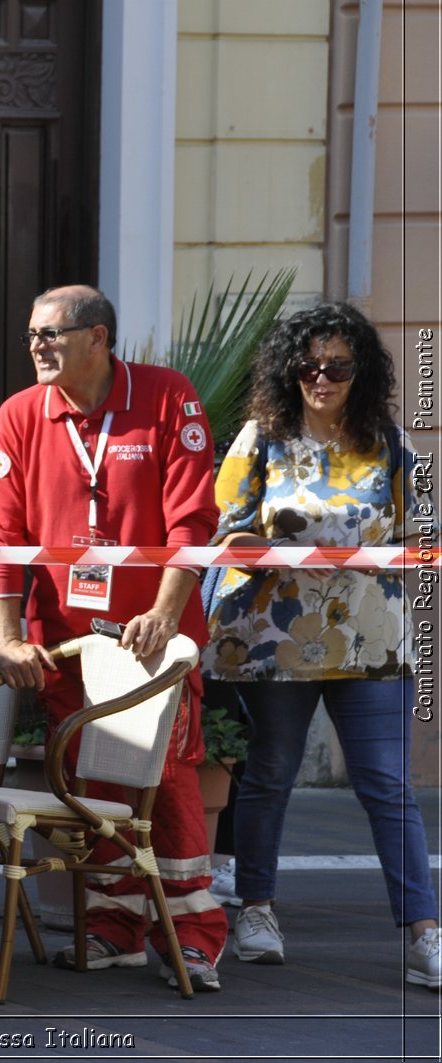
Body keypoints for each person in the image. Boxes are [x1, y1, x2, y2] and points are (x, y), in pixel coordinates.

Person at [0, 284, 230, 991]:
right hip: (68, 643)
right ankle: (115, 926)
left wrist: (162, 610)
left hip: (154, 644)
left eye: (51, 333)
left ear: (99, 338)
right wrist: (7, 636)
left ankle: (194, 935)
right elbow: (1, 539)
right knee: (89, 782)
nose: (37, 346)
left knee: (167, 783)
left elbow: (191, 523)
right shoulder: (20, 415)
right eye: (32, 333)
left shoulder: (165, 396)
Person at [203, 302, 440, 988]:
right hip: (276, 637)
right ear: (289, 370)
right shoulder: (261, 438)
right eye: (308, 365)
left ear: (359, 370)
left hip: (372, 640)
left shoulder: (393, 443)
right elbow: (225, 530)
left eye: (337, 365)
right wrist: (268, 550)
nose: (322, 377)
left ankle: (426, 931)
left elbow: (421, 533)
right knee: (270, 774)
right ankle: (256, 909)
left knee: (389, 786)